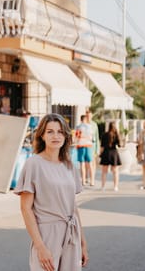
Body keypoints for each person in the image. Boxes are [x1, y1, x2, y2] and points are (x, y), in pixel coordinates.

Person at [14, 113, 88, 271]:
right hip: (47, 235)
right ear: (41, 135)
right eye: (50, 131)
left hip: (71, 235)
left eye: (60, 131)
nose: (56, 136)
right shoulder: (33, 164)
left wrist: (82, 242)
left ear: (66, 136)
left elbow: (73, 206)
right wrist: (40, 247)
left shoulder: (69, 166)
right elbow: (25, 208)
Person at [99, 122, 121, 191]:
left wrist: (100, 154)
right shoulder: (116, 135)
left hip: (106, 153)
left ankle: (103, 186)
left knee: (104, 171)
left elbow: (102, 147)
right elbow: (120, 145)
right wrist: (118, 134)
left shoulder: (104, 135)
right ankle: (115, 186)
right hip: (114, 153)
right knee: (115, 171)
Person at [75, 115, 94, 186]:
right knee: (90, 164)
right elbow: (92, 138)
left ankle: (83, 181)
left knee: (82, 164)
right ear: (86, 119)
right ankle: (92, 181)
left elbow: (77, 136)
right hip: (89, 146)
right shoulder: (90, 127)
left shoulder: (78, 127)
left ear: (80, 119)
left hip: (81, 145)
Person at [85, 109, 100, 183]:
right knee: (86, 163)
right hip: (84, 145)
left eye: (90, 115)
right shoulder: (83, 124)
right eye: (87, 115)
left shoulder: (94, 124)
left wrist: (97, 149)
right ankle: (86, 177)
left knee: (92, 163)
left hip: (93, 146)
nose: (88, 116)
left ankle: (92, 178)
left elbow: (97, 137)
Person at [137, 120, 145, 189]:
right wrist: (140, 153)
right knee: (144, 169)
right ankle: (144, 184)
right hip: (144, 153)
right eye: (144, 125)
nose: (144, 126)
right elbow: (140, 143)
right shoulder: (142, 133)